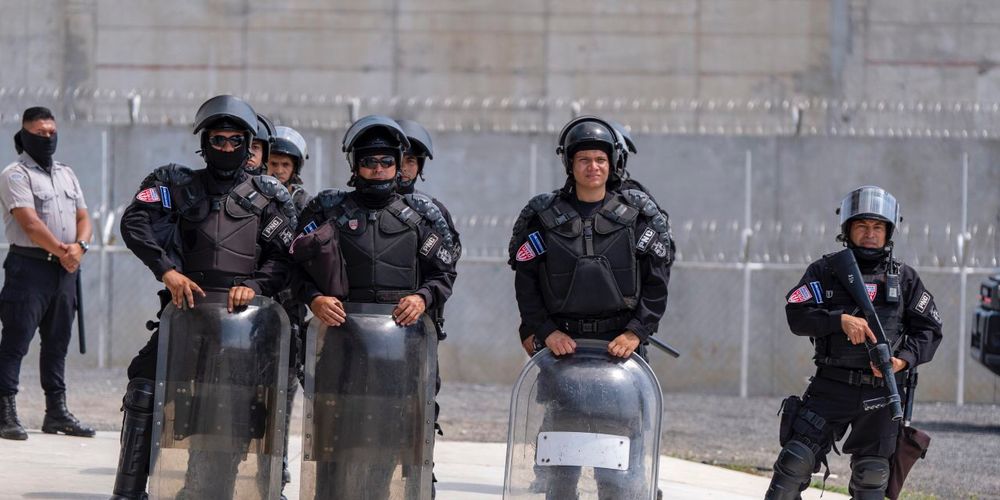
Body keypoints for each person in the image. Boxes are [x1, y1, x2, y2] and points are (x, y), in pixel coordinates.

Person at [110, 94, 297, 500]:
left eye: (235, 140)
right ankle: (128, 493)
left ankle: (213, 490)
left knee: (232, 406)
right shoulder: (177, 185)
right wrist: (167, 270)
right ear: (204, 142)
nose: (226, 148)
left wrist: (257, 286)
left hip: (243, 322)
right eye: (218, 140)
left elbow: (285, 257)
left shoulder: (269, 195)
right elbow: (134, 221)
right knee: (143, 387)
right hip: (186, 312)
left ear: (248, 144)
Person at [508, 115, 673, 498]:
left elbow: (657, 282)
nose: (593, 167)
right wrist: (546, 331)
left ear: (612, 163)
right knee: (560, 472)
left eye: (600, 159)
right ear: (570, 163)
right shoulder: (544, 217)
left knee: (616, 472)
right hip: (563, 354)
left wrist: (636, 332)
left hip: (620, 354)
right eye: (584, 159)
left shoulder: (638, 217)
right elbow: (526, 283)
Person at [293, 115, 458, 498]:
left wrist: (422, 297)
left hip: (399, 351)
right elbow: (294, 267)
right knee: (334, 442)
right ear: (355, 165)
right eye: (369, 161)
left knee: (392, 445)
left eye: (386, 161)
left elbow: (444, 273)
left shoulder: (421, 215)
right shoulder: (327, 209)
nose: (378, 169)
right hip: (341, 348)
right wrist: (314, 298)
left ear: (399, 164)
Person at [764, 186, 943, 500]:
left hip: (882, 393)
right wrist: (839, 320)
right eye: (862, 225)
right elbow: (796, 314)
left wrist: (901, 360)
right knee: (793, 464)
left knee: (871, 478)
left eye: (878, 227)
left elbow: (928, 329)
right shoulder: (825, 272)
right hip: (831, 387)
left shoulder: (905, 279)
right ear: (847, 229)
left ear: (888, 232)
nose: (870, 234)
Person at [0, 106, 95, 441]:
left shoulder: (66, 173)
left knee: (57, 344)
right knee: (16, 341)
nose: (48, 138)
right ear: (25, 135)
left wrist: (79, 247)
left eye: (52, 132)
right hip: (30, 268)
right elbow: (29, 223)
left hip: (65, 271)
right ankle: (5, 412)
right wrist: (64, 251)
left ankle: (56, 412)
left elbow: (84, 217)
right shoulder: (15, 174)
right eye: (40, 133)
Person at [266, 124, 311, 497]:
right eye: (273, 163)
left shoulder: (305, 204)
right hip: (254, 305)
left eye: (285, 165)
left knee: (283, 392)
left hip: (289, 310)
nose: (278, 171)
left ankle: (277, 468)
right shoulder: (251, 195)